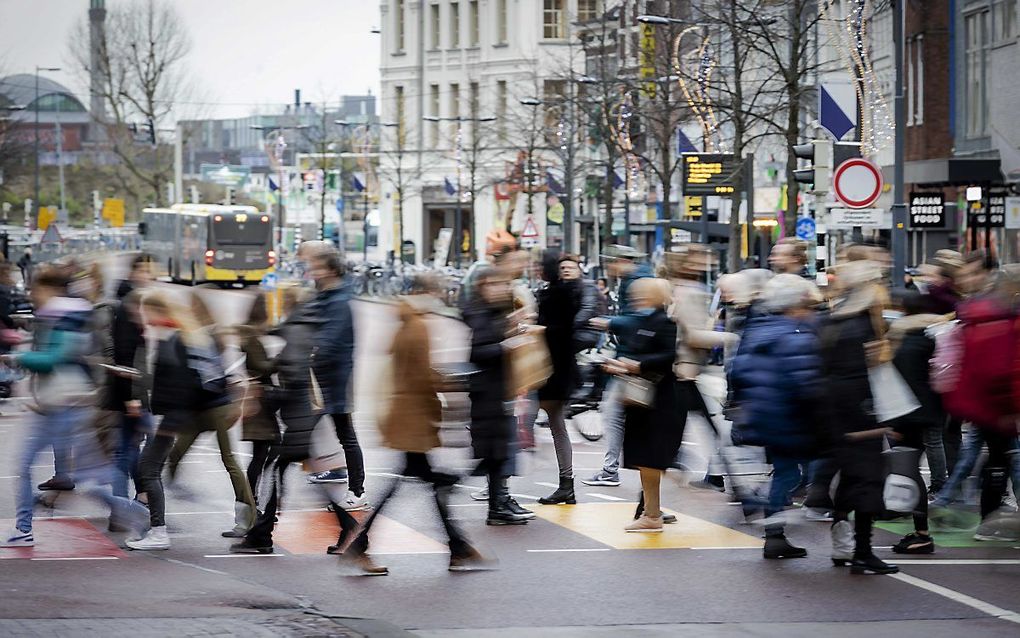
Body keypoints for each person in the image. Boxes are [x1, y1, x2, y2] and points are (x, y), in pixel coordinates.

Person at [344, 275, 492, 574]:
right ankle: (360, 546)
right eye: (434, 291)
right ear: (424, 293)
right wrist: (449, 396)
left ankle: (457, 548)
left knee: (422, 482)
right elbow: (421, 377)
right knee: (418, 484)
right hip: (413, 419)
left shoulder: (405, 322)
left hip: (406, 416)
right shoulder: (418, 327)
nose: (438, 298)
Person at [1, 268, 148, 547]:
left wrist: (19, 357)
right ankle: (24, 528)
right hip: (59, 404)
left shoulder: (64, 317)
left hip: (66, 405)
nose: (33, 296)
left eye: (37, 291)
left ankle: (135, 513)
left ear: (49, 290)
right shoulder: (66, 315)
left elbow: (54, 359)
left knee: (78, 475)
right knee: (67, 472)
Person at [230, 288, 362, 562]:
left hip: (299, 421)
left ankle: (261, 537)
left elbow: (292, 380)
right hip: (305, 420)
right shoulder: (305, 330)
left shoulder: (294, 332)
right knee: (298, 480)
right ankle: (349, 531)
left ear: (288, 306)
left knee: (272, 474)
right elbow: (291, 368)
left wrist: (266, 395)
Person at [730, 274, 823, 558]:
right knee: (807, 469)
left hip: (765, 414)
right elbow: (806, 382)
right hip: (790, 418)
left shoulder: (759, 328)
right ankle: (773, 520)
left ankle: (774, 532)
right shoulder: (796, 335)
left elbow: (738, 371)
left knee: (786, 470)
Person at [818, 260, 898, 575]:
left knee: (849, 480)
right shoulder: (861, 325)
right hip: (859, 415)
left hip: (835, 414)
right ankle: (863, 551)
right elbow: (860, 375)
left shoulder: (833, 319)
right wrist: (875, 418)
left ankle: (843, 545)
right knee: (866, 482)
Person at [166, 291, 257, 538]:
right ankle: (166, 499)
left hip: (216, 406)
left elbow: (212, 373)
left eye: (191, 306)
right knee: (175, 454)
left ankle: (248, 521)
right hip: (199, 408)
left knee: (229, 460)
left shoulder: (210, 334)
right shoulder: (191, 334)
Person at [126, 294, 208, 551]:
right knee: (149, 469)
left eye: (145, 312)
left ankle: (159, 532)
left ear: (155, 311)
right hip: (170, 416)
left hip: (171, 417)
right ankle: (157, 530)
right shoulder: (171, 335)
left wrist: (168, 418)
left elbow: (179, 383)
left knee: (148, 470)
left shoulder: (170, 339)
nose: (143, 317)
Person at [601, 278, 682, 532]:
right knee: (646, 462)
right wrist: (618, 365)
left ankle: (652, 514)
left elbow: (668, 356)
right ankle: (651, 514)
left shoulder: (665, 323)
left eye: (641, 294)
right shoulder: (645, 321)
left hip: (658, 401)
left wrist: (637, 365)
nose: (636, 299)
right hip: (641, 400)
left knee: (651, 459)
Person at [463, 264, 535, 525]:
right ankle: (492, 503)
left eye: (504, 284)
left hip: (499, 388)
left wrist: (515, 328)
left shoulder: (494, 311)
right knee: (492, 452)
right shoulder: (478, 313)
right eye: (496, 284)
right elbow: (478, 352)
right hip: (486, 392)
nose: (503, 289)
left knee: (499, 451)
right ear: (483, 286)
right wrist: (507, 344)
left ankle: (498, 504)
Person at [665, 246, 738, 493]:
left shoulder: (678, 288)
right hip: (685, 372)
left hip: (683, 371)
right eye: (702, 258)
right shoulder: (690, 292)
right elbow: (694, 336)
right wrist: (730, 337)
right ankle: (739, 490)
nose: (708, 262)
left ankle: (711, 475)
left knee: (681, 432)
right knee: (711, 431)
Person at [580, 247, 653, 488]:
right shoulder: (632, 280)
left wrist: (610, 323)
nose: (608, 269)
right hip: (631, 361)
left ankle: (614, 470)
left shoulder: (638, 282)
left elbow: (641, 321)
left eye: (610, 263)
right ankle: (613, 469)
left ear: (621, 261)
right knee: (619, 414)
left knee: (616, 414)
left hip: (636, 363)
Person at [307, 249, 369, 511]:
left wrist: (309, 355)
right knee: (340, 434)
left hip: (337, 379)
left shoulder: (339, 301)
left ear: (332, 271)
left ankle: (357, 490)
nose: (313, 272)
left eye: (318, 267)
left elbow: (329, 342)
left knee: (346, 435)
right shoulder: (326, 297)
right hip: (328, 378)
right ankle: (352, 486)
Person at [885, 291, 945, 555]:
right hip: (922, 412)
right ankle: (918, 529)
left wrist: (895, 423)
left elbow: (903, 385)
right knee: (907, 470)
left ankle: (922, 533)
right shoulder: (925, 337)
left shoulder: (904, 342)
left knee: (907, 470)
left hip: (908, 415)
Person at [105, 255, 154, 501]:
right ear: (133, 272)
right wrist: (132, 397)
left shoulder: (134, 302)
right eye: (144, 270)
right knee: (140, 448)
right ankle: (130, 498)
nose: (148, 275)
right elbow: (126, 353)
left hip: (134, 389)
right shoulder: (128, 306)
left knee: (129, 448)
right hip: (131, 391)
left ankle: (129, 498)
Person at [536, 253, 580, 505]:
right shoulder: (554, 291)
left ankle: (498, 484)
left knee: (525, 420)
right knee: (556, 424)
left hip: (551, 370)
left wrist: (537, 328)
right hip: (555, 369)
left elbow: (561, 331)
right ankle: (567, 485)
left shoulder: (558, 294)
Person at [237, 292, 280, 496]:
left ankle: (252, 496)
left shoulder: (250, 335)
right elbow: (262, 367)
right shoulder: (253, 337)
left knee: (262, 454)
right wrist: (279, 360)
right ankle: (251, 497)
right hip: (259, 403)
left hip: (258, 401)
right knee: (264, 453)